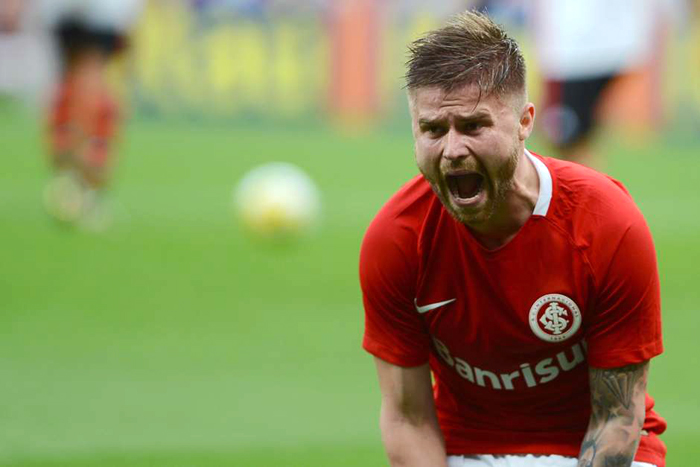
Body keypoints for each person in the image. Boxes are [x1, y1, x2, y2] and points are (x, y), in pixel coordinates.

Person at [359, 11, 666, 467]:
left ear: (524, 121)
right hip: (468, 451)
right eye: (433, 130)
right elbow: (408, 420)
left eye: (473, 125)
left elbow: (617, 417)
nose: (452, 149)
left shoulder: (607, 223)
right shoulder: (397, 239)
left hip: (592, 446)